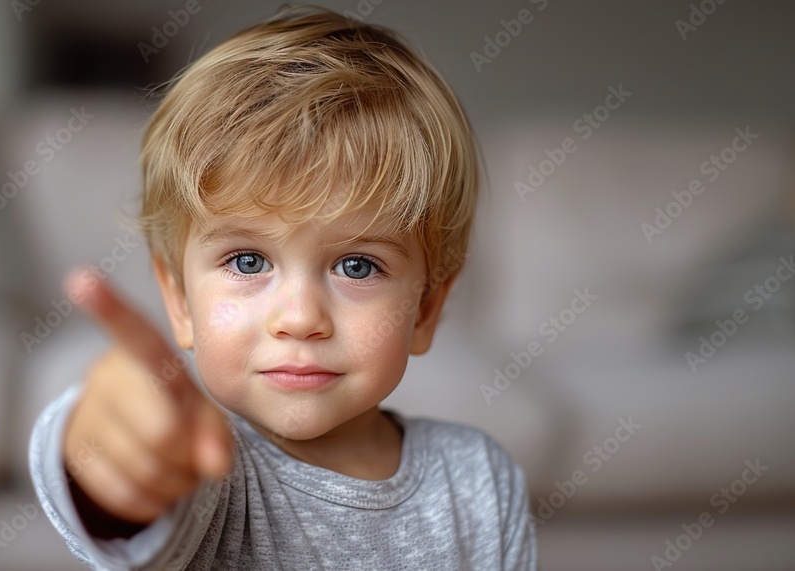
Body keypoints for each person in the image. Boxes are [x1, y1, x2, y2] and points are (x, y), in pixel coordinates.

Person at [29, 6, 537, 570]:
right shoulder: (204, 468)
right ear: (179, 300)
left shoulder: (479, 479)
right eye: (247, 261)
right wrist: (109, 445)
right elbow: (120, 503)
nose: (299, 318)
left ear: (425, 309)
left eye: (357, 267)